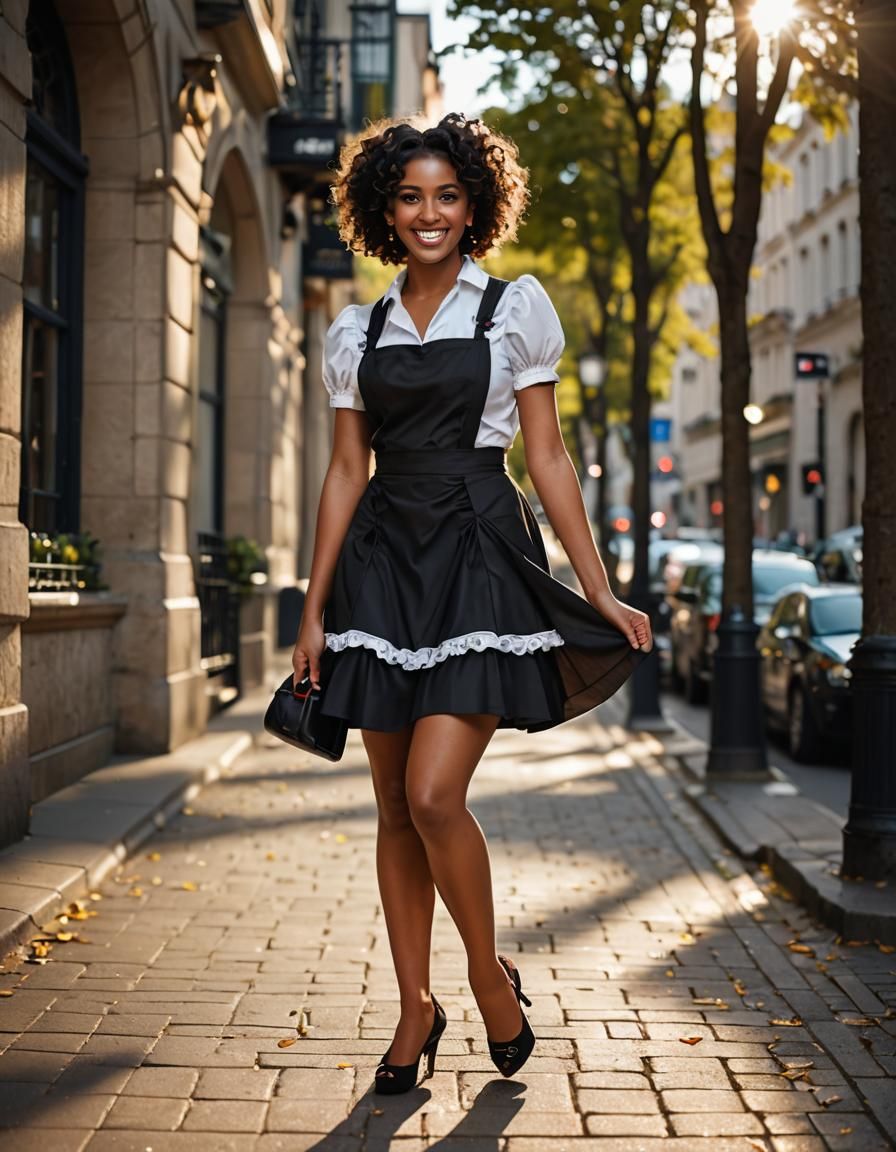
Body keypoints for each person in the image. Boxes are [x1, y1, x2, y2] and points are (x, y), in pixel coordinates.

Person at [292, 113, 652, 1095]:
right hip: (378, 563)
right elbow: (340, 472)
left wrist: (596, 588)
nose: (428, 213)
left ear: (474, 204)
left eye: (446, 195)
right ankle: (414, 1007)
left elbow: (545, 455)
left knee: (432, 794)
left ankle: (487, 976)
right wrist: (311, 608)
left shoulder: (512, 309)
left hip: (478, 558)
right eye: (409, 196)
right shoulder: (352, 330)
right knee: (391, 809)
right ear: (383, 208)